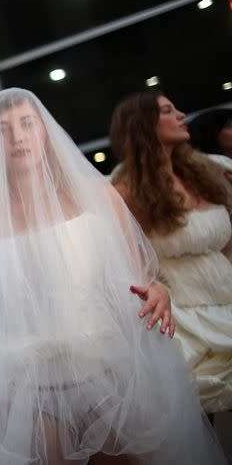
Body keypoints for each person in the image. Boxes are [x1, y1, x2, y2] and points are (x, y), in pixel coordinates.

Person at [0, 88, 224, 464]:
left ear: (45, 131)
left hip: (105, 368)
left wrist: (158, 290)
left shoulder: (98, 195)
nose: (17, 137)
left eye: (27, 123)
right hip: (26, 383)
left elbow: (139, 277)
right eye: (3, 129)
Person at [110, 91, 232, 414]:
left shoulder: (207, 174)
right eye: (167, 111)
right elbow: (125, 259)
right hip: (182, 316)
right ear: (143, 126)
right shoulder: (125, 191)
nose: (180, 115)